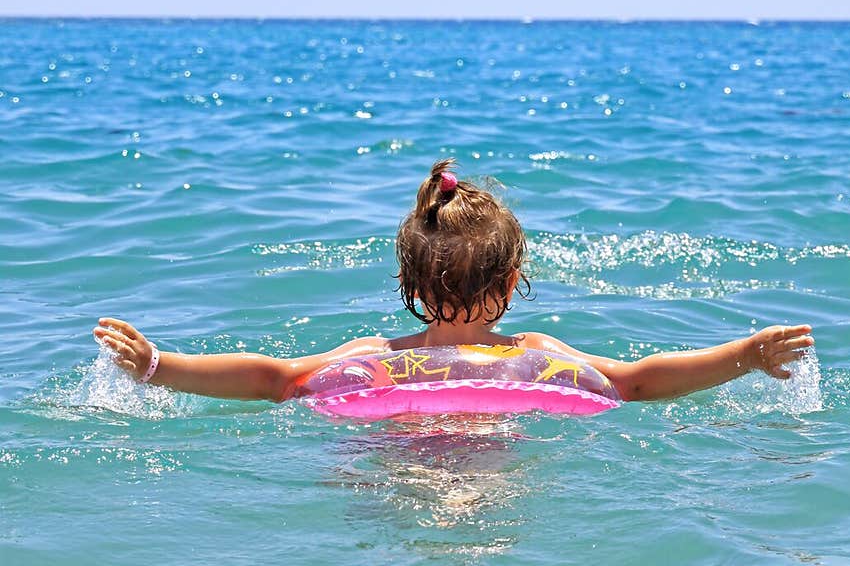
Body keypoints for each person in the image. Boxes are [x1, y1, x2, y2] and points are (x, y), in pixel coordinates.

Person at [92, 159, 813, 403]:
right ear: (513, 281)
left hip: (392, 433)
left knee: (421, 497)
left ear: (409, 281)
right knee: (476, 499)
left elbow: (272, 379)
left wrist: (160, 366)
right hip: (501, 428)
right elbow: (640, 382)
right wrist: (745, 355)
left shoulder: (373, 354)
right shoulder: (535, 348)